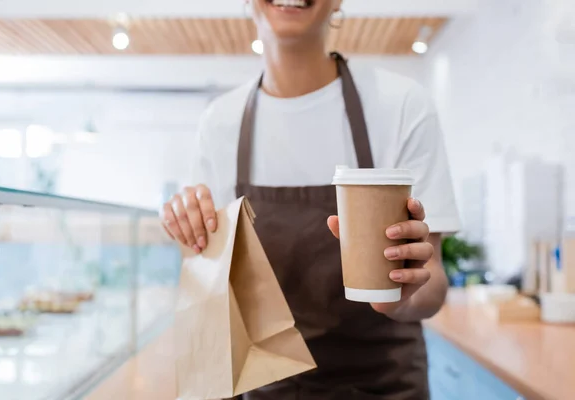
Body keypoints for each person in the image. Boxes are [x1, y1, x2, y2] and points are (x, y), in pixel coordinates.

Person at [162, 0, 460, 398]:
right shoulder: (219, 123)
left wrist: (401, 297)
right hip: (267, 388)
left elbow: (432, 281)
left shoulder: (402, 104)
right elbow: (217, 290)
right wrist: (190, 229)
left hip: (384, 386)